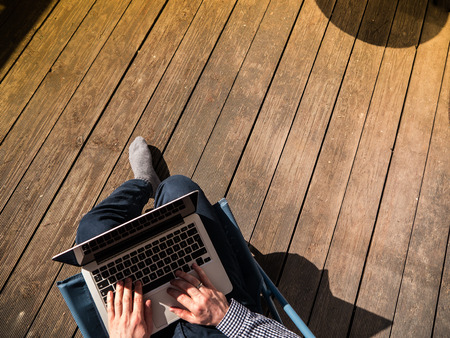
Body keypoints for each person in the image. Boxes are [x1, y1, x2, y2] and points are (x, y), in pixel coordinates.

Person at [76, 136, 300, 337]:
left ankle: (143, 182)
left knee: (91, 231)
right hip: (221, 324)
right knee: (178, 189)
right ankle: (146, 184)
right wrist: (226, 316)